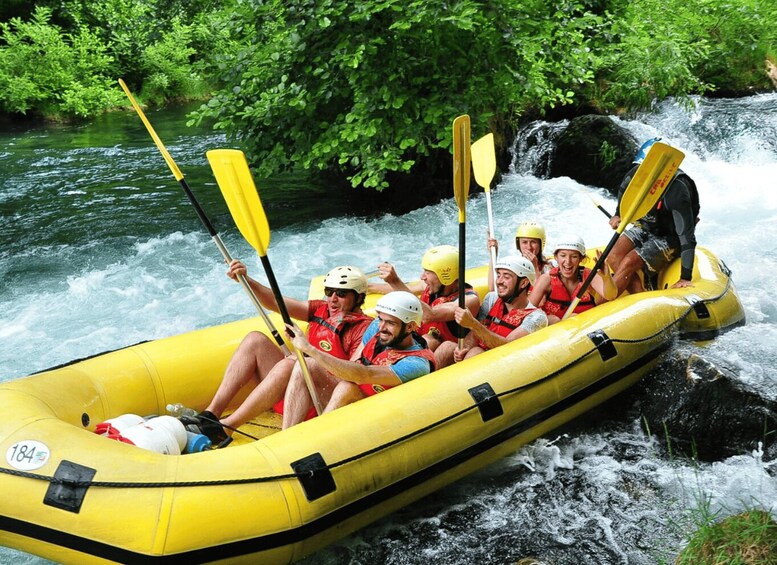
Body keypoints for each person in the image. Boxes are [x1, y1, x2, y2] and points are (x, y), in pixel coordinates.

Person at [187, 262, 373, 443]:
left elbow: (354, 377)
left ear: (358, 297)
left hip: (324, 402)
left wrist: (306, 355)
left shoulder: (363, 329)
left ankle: (226, 427)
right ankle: (210, 415)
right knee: (255, 340)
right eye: (329, 291)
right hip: (295, 393)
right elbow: (276, 302)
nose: (332, 299)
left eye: (341, 294)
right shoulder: (320, 309)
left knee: (296, 364)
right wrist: (247, 279)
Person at [282, 291, 436, 427]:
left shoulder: (416, 363)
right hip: (356, 399)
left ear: (410, 327)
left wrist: (309, 349)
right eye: (381, 319)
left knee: (347, 388)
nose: (382, 327)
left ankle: (316, 436)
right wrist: (311, 356)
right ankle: (287, 435)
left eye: (390, 323)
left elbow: (363, 375)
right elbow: (353, 365)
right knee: (307, 365)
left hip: (384, 415)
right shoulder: (376, 326)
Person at [607, 137, 700, 295]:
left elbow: (686, 236)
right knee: (613, 256)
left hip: (670, 236)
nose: (644, 173)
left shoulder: (677, 190)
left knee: (629, 261)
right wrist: (618, 215)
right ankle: (640, 294)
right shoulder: (634, 175)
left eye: (649, 170)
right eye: (643, 168)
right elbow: (623, 194)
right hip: (645, 226)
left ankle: (606, 301)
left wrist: (685, 277)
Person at [370, 245, 481, 365]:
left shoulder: (468, 300)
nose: (422, 277)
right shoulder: (430, 286)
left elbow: (430, 315)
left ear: (445, 275)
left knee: (436, 342)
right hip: (420, 340)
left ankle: (417, 372)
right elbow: (404, 289)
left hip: (446, 352)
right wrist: (368, 287)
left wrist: (394, 280)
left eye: (427, 272)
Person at [436, 255, 547, 365]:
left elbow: (509, 347)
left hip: (505, 364)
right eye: (498, 275)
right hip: (479, 355)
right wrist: (465, 347)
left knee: (476, 352)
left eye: (506, 277)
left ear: (523, 283)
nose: (499, 281)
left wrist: (472, 324)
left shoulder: (537, 317)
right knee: (447, 347)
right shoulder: (492, 298)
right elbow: (476, 332)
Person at [529, 234, 616, 324]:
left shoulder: (589, 276)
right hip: (552, 329)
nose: (568, 261)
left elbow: (611, 295)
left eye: (574, 256)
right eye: (563, 256)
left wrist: (607, 277)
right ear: (556, 257)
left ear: (581, 258)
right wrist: (550, 321)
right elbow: (526, 313)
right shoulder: (546, 280)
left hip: (584, 327)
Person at [486, 221, 554, 291]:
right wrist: (493, 255)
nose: (529, 247)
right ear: (519, 245)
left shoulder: (547, 268)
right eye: (524, 242)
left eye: (533, 242)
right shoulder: (514, 265)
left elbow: (540, 294)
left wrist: (535, 267)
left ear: (540, 244)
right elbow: (493, 289)